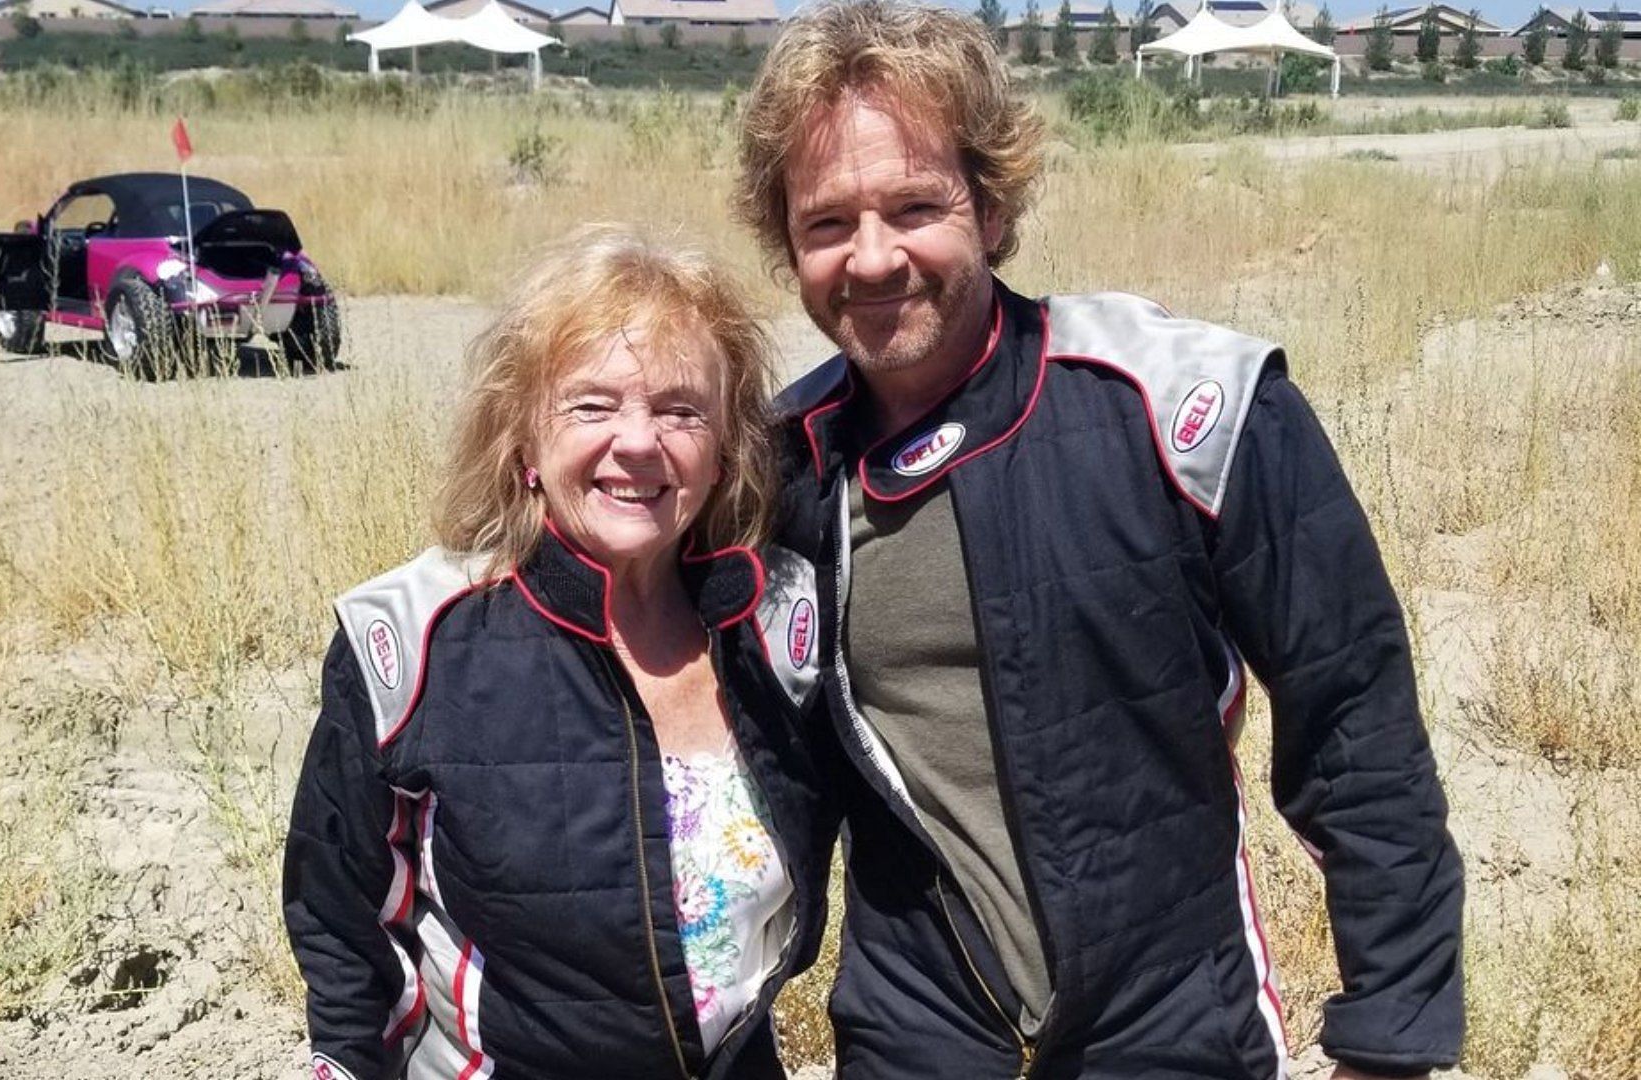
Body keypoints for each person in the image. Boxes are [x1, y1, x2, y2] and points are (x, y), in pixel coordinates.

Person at [737, 3, 1465, 1078]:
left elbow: (1354, 710)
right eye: (828, 223)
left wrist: (1393, 1031)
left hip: (1169, 1014)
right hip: (917, 1021)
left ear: (988, 208)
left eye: (915, 206)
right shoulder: (779, 471)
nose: (875, 257)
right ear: (788, 245)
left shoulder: (1185, 405)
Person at [283, 225, 836, 1080]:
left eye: (681, 408)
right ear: (522, 442)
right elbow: (343, 927)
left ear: (726, 450)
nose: (640, 441)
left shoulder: (778, 630)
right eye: (592, 404)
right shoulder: (413, 644)